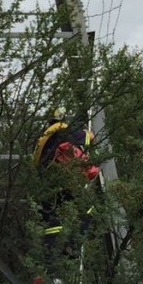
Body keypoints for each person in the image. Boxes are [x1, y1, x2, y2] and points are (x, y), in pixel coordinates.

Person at [31, 113, 100, 266]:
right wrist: (85, 133)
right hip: (65, 183)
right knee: (86, 210)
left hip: (46, 187)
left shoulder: (41, 139)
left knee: (51, 222)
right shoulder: (63, 131)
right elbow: (90, 136)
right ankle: (72, 246)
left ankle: (46, 262)